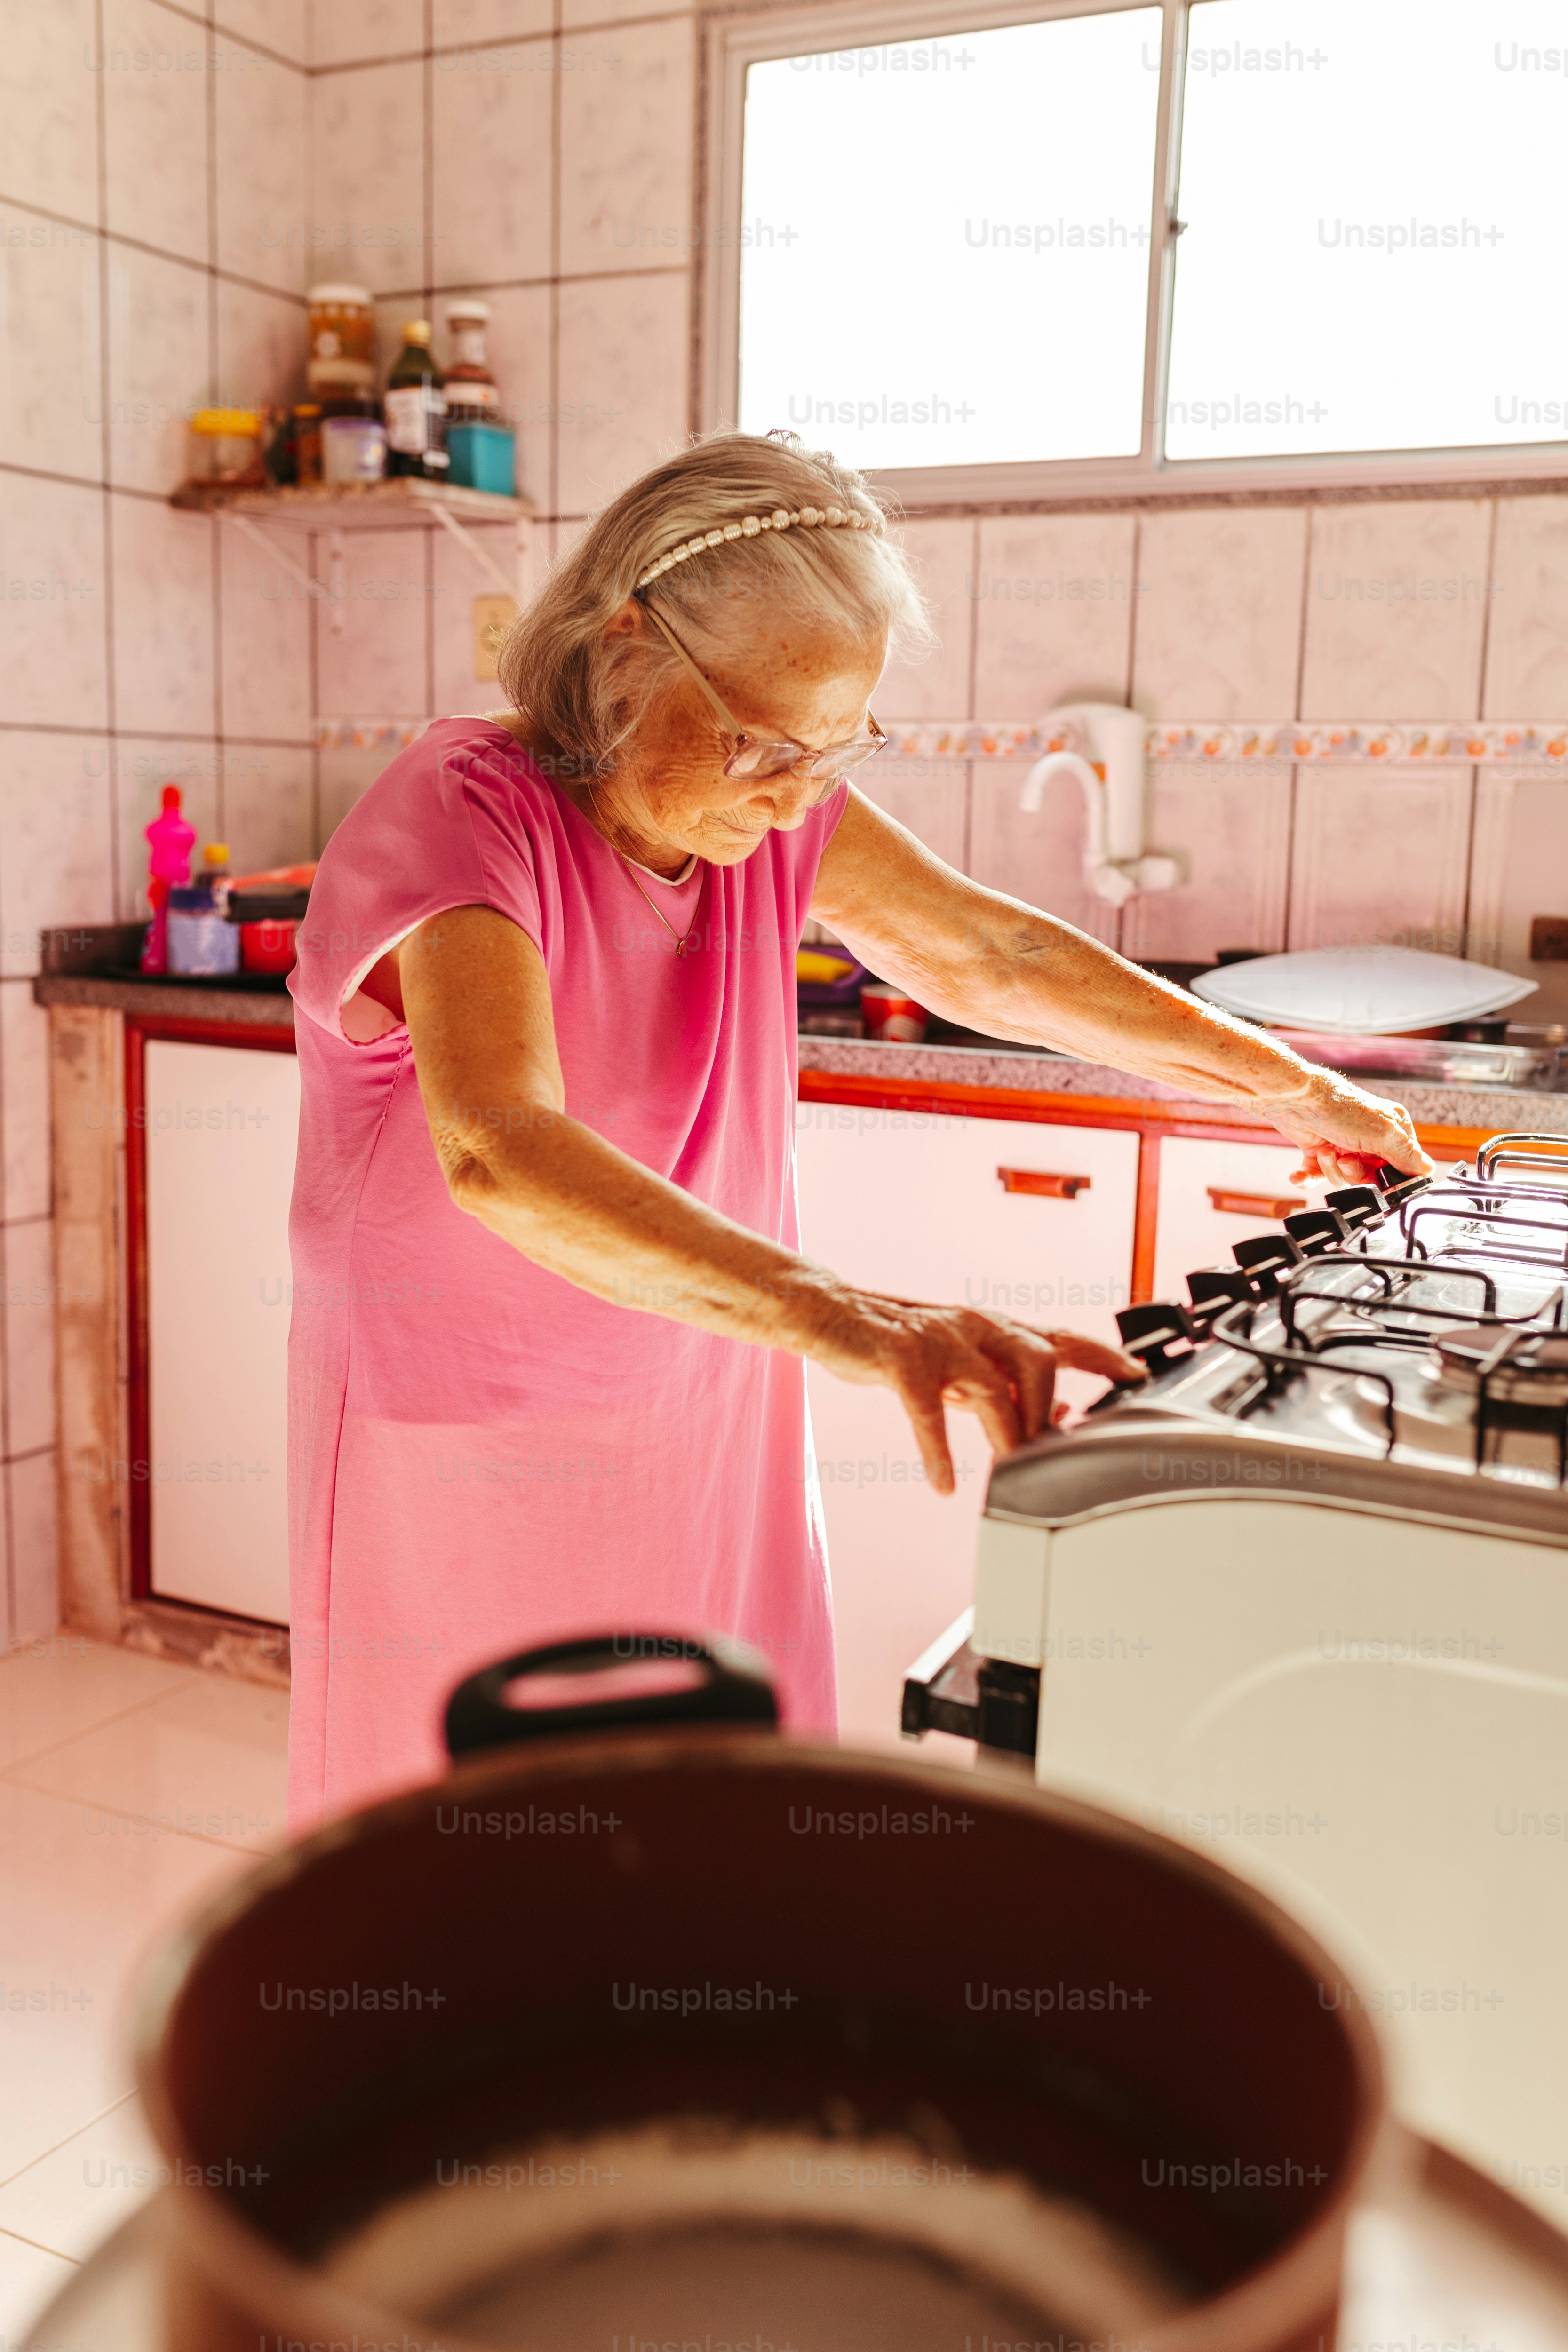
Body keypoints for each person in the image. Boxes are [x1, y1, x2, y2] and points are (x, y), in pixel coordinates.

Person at [286, 430, 1430, 1828]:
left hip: (705, 1389)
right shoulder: (467, 813)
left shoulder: (769, 812)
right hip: (475, 1432)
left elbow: (989, 956)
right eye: (768, 742)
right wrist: (859, 1319)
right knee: (491, 1861)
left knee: (720, 1815)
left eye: (837, 750)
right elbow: (497, 1148)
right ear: (625, 649)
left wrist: (1302, 1088)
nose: (796, 794)